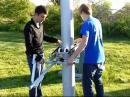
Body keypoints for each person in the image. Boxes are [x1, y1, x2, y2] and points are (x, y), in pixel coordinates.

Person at [68, 4, 105, 97]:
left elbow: (84, 43)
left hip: (90, 60)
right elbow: (94, 37)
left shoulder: (86, 23)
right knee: (99, 83)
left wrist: (72, 57)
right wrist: (79, 40)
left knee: (87, 86)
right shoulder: (97, 21)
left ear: (82, 13)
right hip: (100, 58)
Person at [24, 5, 61, 97]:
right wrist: (38, 57)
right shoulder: (29, 27)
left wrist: (56, 40)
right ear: (36, 14)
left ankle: (39, 95)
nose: (43, 19)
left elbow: (44, 36)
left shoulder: (40, 25)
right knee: (35, 79)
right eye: (42, 17)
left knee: (40, 77)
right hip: (33, 56)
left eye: (45, 17)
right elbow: (29, 46)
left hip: (41, 54)